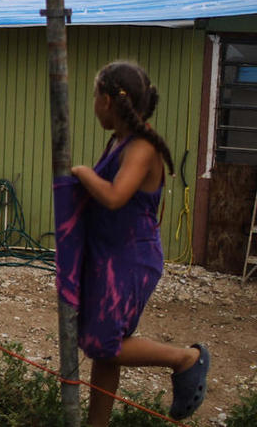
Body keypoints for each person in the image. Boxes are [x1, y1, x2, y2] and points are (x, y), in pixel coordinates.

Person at [69, 61, 209, 425]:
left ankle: (185, 359)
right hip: (108, 256)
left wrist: (82, 172)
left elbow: (115, 197)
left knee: (103, 345)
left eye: (94, 96)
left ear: (107, 101)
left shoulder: (142, 146)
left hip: (130, 259)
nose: (93, 104)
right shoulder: (120, 140)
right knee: (106, 351)